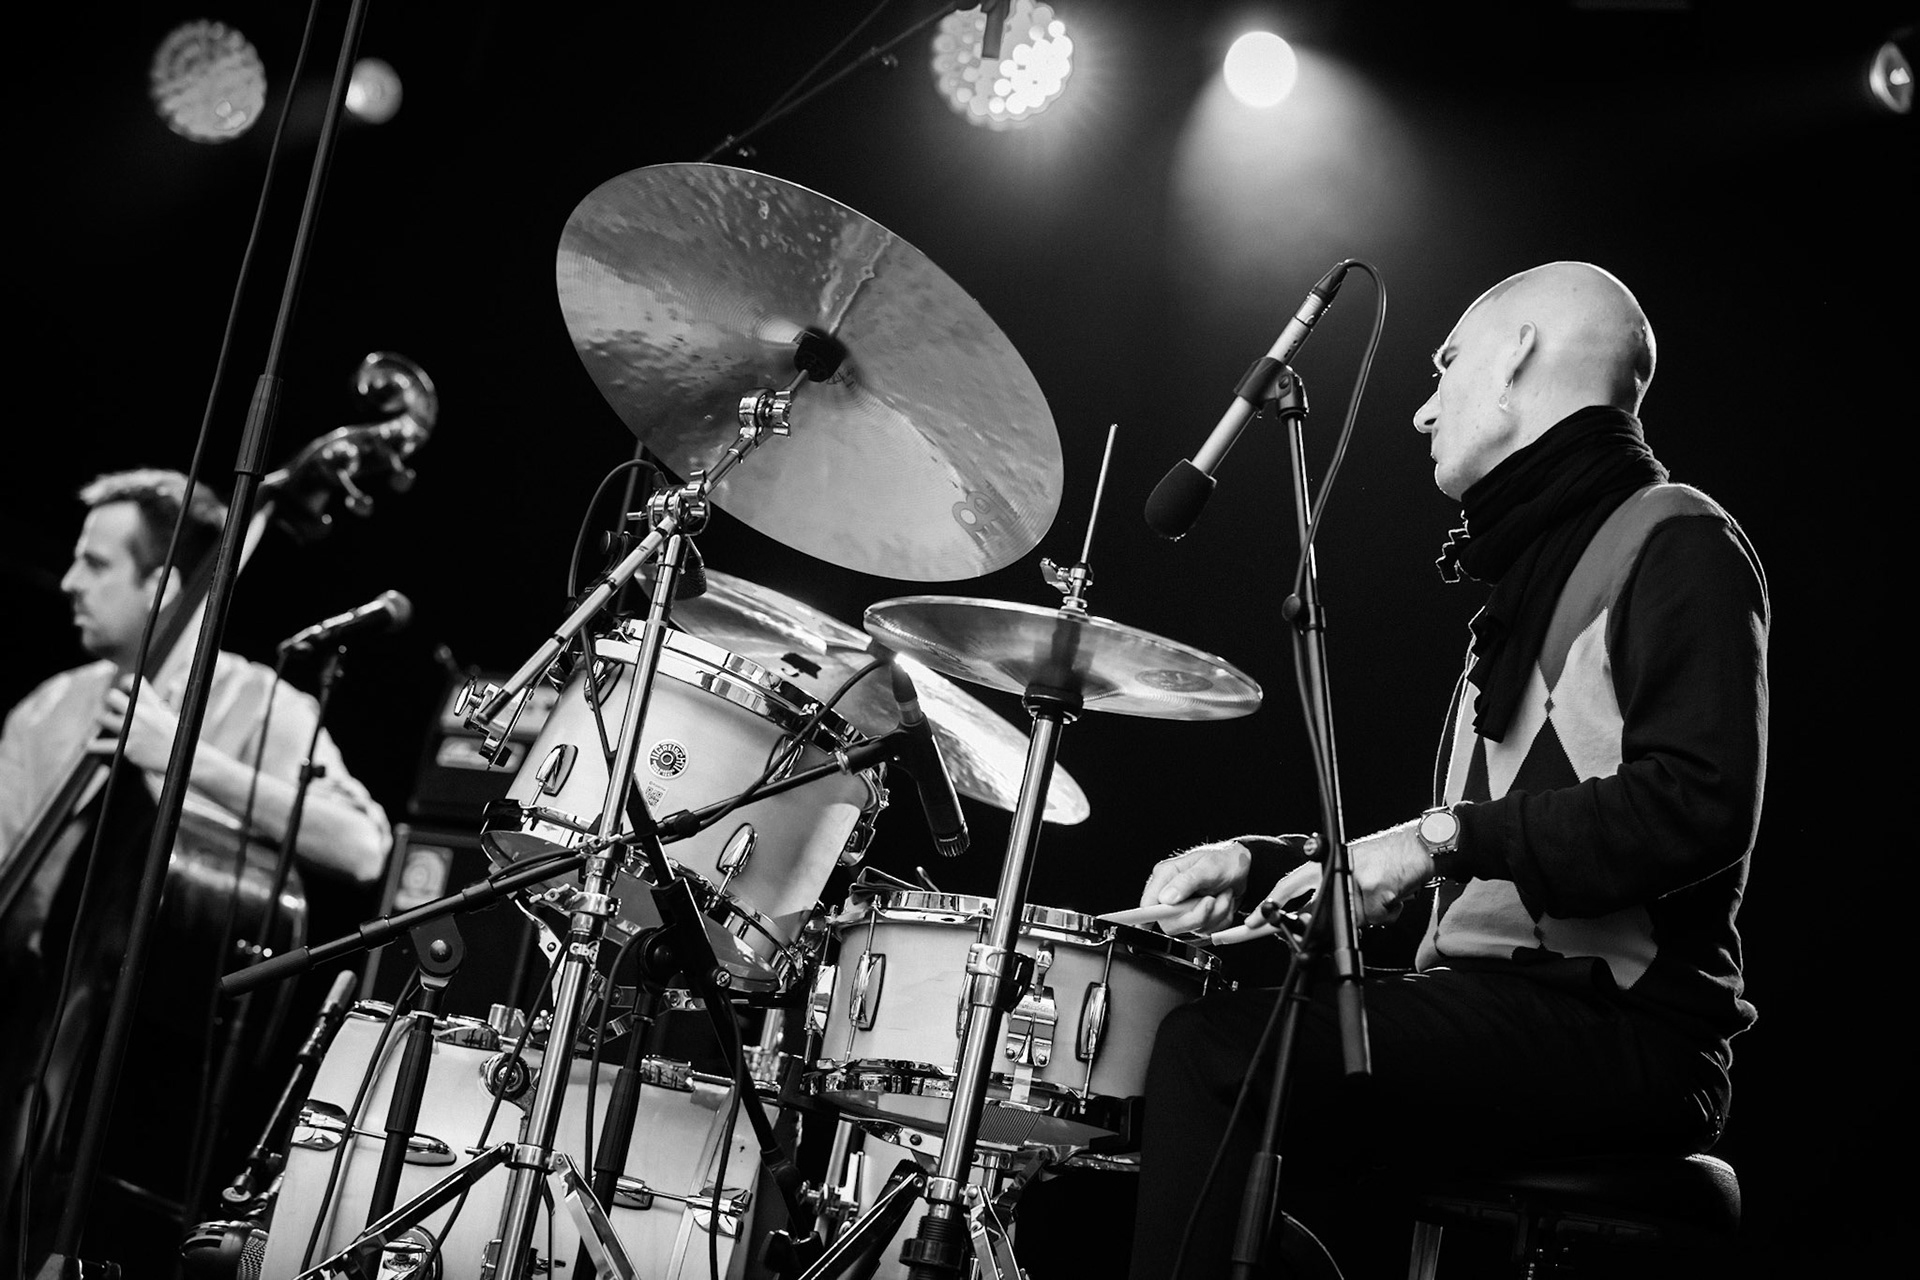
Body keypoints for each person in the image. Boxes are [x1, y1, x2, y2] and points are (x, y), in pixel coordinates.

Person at [1127, 263, 1768, 1278]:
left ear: (1519, 353)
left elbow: (1694, 807)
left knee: (1215, 1054)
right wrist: (1263, 862)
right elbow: (1467, 845)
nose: (1423, 409)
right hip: (1502, 1010)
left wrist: (1437, 839)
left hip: (1624, 1028)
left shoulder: (1676, 535)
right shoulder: (1518, 596)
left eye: (1445, 365)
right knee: (1190, 1069)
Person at [0, 468, 393, 1271]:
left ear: (163, 586)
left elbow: (363, 846)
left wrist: (183, 758)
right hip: (27, 1041)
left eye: (96, 563)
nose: (69, 581)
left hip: (139, 1101)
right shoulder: (48, 709)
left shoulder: (258, 703)